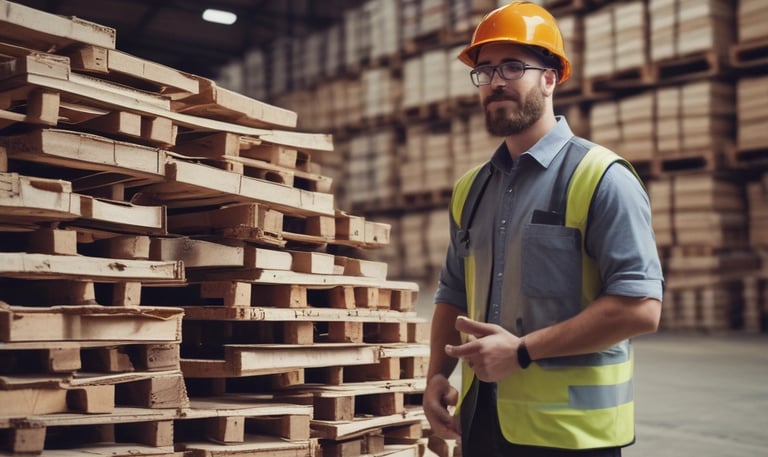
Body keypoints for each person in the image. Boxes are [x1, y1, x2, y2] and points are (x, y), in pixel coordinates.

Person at [423, 2, 664, 457]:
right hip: (481, 425)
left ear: (550, 78)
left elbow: (640, 308)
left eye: (513, 66)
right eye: (485, 70)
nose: (495, 81)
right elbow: (451, 291)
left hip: (572, 438)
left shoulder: (602, 178)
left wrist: (522, 351)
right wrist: (438, 375)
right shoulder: (470, 190)